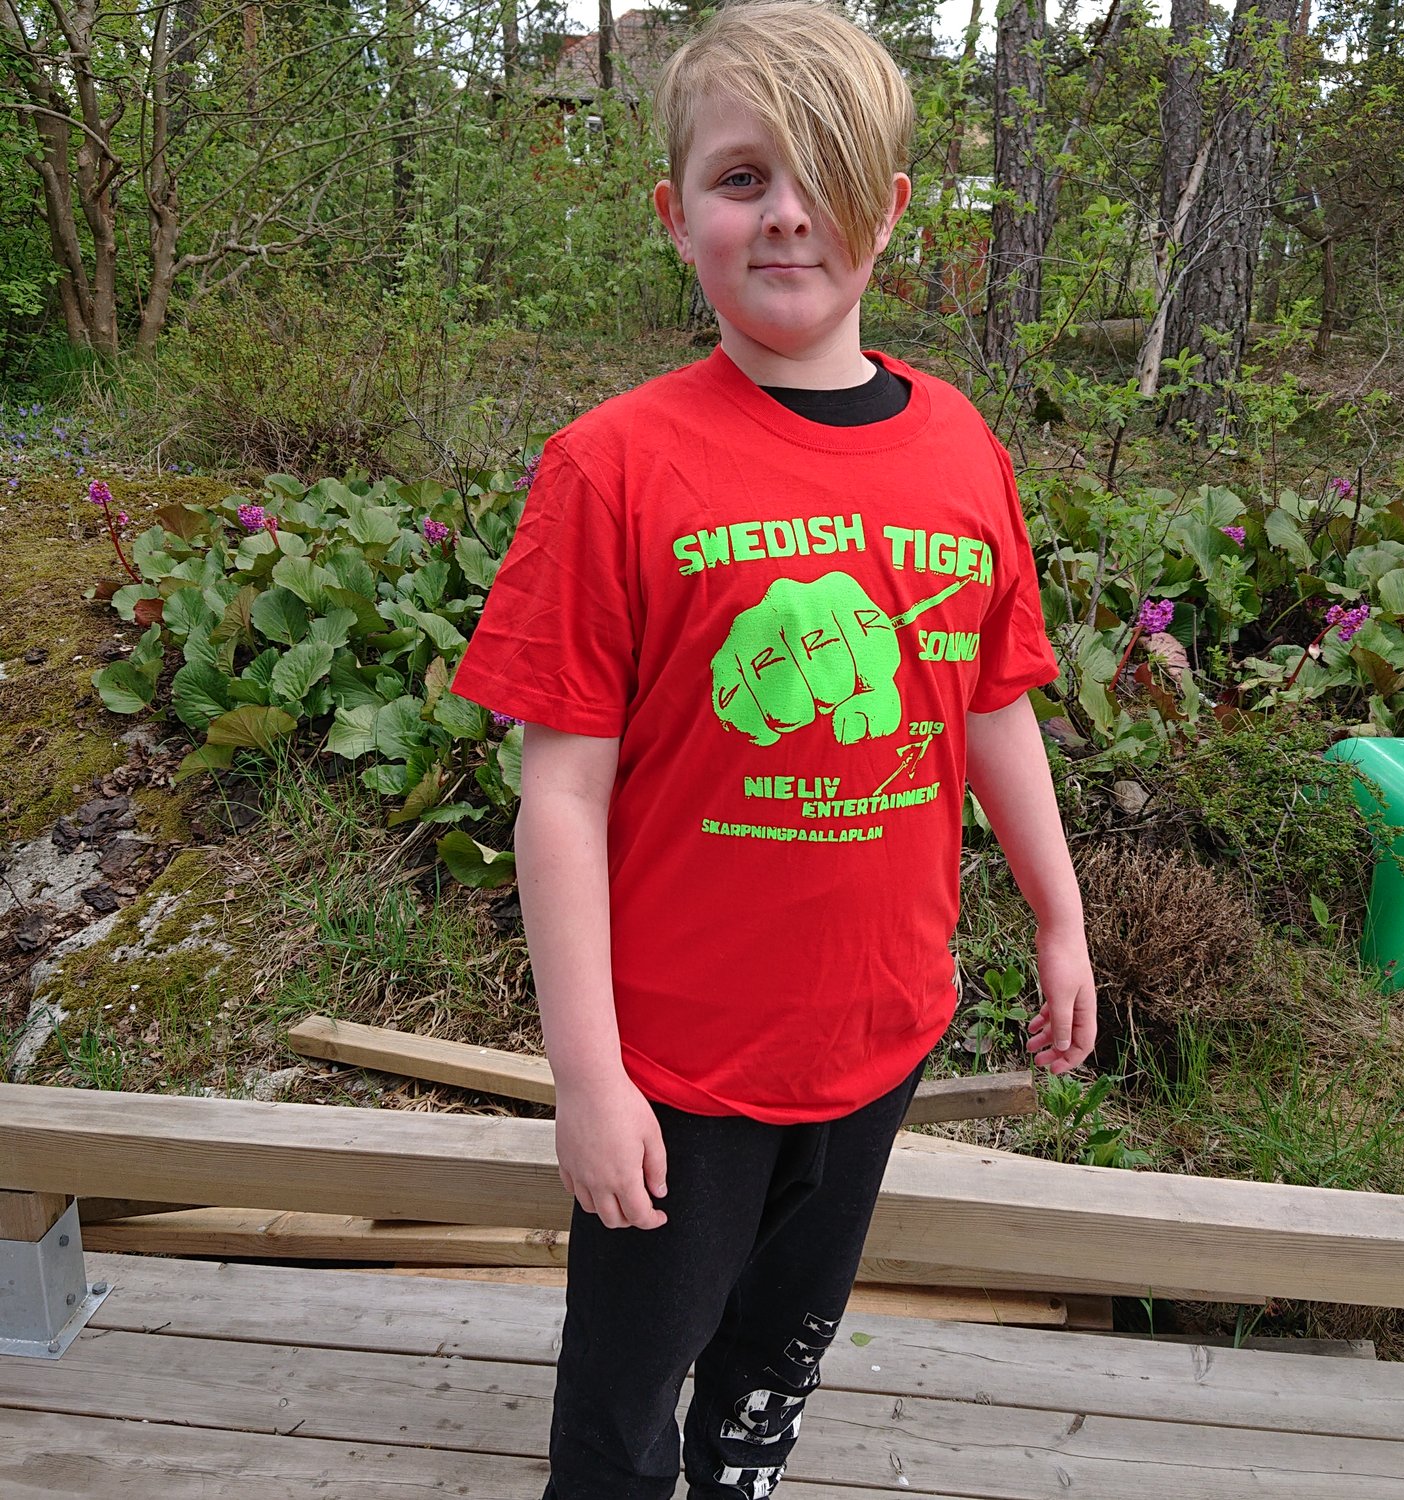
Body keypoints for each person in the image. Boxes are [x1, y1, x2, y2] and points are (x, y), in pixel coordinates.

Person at [451, 3, 1097, 1494]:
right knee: (624, 1406)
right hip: (675, 1067)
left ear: (894, 210)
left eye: (826, 174)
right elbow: (559, 793)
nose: (789, 210)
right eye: (744, 178)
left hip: (877, 1031)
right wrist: (587, 1078)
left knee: (772, 1367)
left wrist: (1061, 919)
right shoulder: (613, 466)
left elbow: (991, 700)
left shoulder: (962, 450)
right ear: (677, 216)